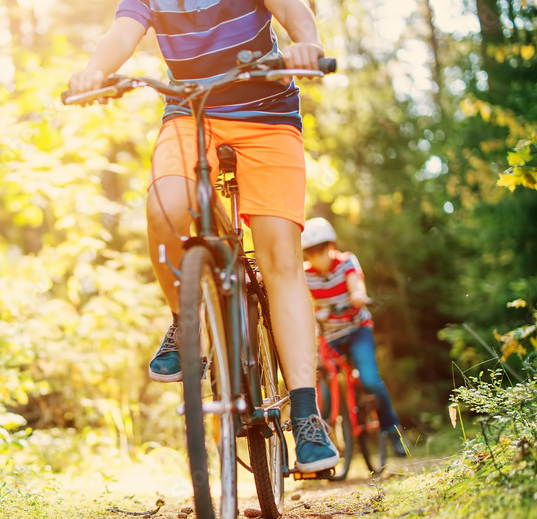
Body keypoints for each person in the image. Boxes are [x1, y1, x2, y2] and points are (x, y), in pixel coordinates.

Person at [68, 0, 339, 472]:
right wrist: (94, 71)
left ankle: (306, 413)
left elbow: (295, 11)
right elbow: (121, 35)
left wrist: (307, 44)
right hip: (189, 115)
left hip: (267, 114)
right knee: (164, 209)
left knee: (280, 257)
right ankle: (184, 321)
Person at [301, 217, 407, 456]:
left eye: (321, 250)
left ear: (331, 246)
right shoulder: (305, 275)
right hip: (328, 338)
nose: (317, 257)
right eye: (311, 252)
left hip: (356, 330)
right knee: (318, 384)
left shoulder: (346, 262)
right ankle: (323, 438)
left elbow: (356, 285)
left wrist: (357, 295)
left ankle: (393, 432)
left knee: (369, 380)